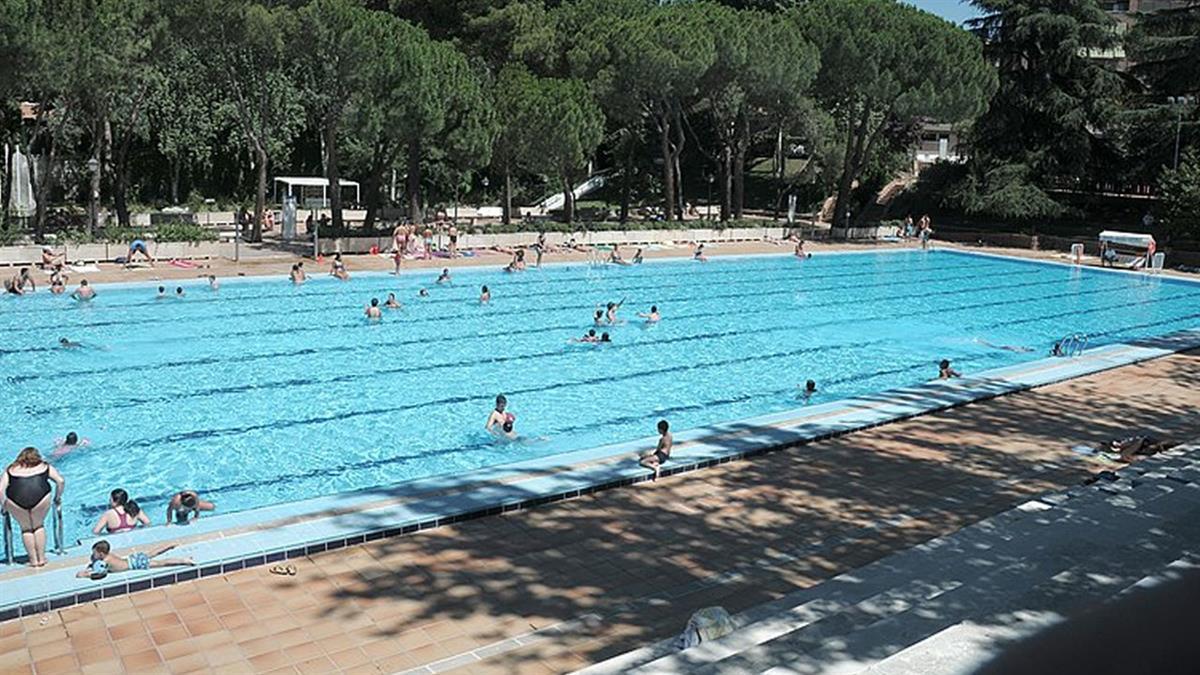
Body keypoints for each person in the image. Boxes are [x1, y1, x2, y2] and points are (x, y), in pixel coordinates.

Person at [0, 447, 65, 567]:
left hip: (15, 501)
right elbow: (60, 481)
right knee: (38, 526)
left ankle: (33, 560)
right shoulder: (44, 466)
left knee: (26, 529)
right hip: (41, 498)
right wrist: (57, 497)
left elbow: (0, 489)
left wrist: (4, 506)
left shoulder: (11, 469)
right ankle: (41, 558)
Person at [76, 541, 193, 580]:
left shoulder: (105, 561)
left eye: (94, 553)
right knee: (152, 552)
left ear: (101, 554)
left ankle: (184, 560)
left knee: (161, 563)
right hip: (132, 558)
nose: (93, 555)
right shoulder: (108, 555)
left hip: (134, 564)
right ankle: (169, 545)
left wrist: (85, 574)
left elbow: (99, 574)